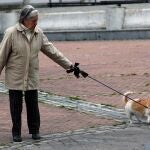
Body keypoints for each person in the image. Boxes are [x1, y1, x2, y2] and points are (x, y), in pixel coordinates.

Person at [0, 5, 81, 142]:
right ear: (24, 20)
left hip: (31, 75)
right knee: (16, 106)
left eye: (37, 20)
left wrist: (70, 66)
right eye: (33, 20)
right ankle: (16, 132)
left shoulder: (38, 33)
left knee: (33, 105)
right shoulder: (11, 33)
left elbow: (52, 51)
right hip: (15, 76)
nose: (36, 22)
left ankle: (35, 130)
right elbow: (1, 56)